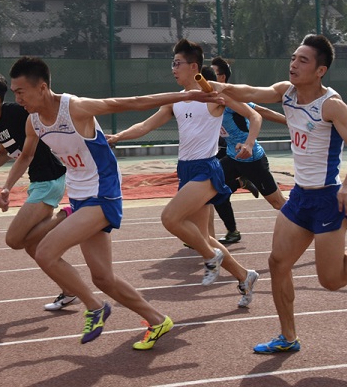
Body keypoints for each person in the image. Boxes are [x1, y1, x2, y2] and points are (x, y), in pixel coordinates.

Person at [0, 56, 223, 350]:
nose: (17, 99)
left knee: (45, 251)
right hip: (79, 195)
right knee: (103, 277)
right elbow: (26, 156)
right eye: (14, 93)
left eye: (20, 92)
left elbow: (132, 101)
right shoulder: (34, 122)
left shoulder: (75, 108)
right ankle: (157, 320)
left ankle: (94, 308)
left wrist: (191, 94)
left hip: (104, 192)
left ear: (41, 88)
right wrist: (6, 186)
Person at [209, 34, 347, 353]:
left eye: (303, 60)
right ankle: (288, 337)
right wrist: (220, 88)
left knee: (331, 281)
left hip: (329, 199)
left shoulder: (331, 105)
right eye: (293, 58)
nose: (294, 64)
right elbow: (252, 92)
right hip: (300, 197)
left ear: (321, 70)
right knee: (278, 263)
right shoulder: (286, 93)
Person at [108, 39, 262, 308]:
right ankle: (244, 275)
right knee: (204, 237)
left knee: (170, 218)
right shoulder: (178, 100)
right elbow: (146, 125)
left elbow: (254, 115)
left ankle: (210, 258)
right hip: (186, 170)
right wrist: (119, 136)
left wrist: (248, 143)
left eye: (177, 63)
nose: (173, 69)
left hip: (207, 168)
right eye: (172, 63)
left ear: (194, 66)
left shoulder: (214, 94)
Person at [0, 71, 79, 312]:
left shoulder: (17, 113)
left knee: (14, 239)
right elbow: (4, 153)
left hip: (50, 180)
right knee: (34, 247)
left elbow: (28, 152)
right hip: (39, 182)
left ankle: (66, 215)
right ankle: (70, 291)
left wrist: (6, 188)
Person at [209, 57, 287, 245]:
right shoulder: (208, 99)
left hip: (252, 159)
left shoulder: (233, 98)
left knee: (279, 203)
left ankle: (310, 223)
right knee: (210, 185)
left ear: (223, 78)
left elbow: (259, 113)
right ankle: (209, 239)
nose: (208, 78)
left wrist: (291, 123)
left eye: (214, 74)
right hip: (231, 156)